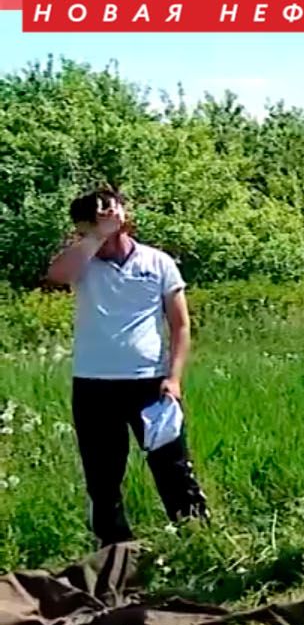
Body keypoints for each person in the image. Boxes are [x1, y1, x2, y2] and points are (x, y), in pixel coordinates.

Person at [43, 187, 210, 545]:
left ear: (124, 214)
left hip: (150, 382)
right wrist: (95, 236)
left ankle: (196, 542)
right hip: (94, 385)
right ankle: (115, 552)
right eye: (93, 220)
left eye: (109, 212)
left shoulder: (158, 262)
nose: (106, 219)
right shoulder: (82, 262)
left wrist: (175, 378)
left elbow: (180, 324)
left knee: (173, 468)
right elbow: (56, 275)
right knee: (103, 476)